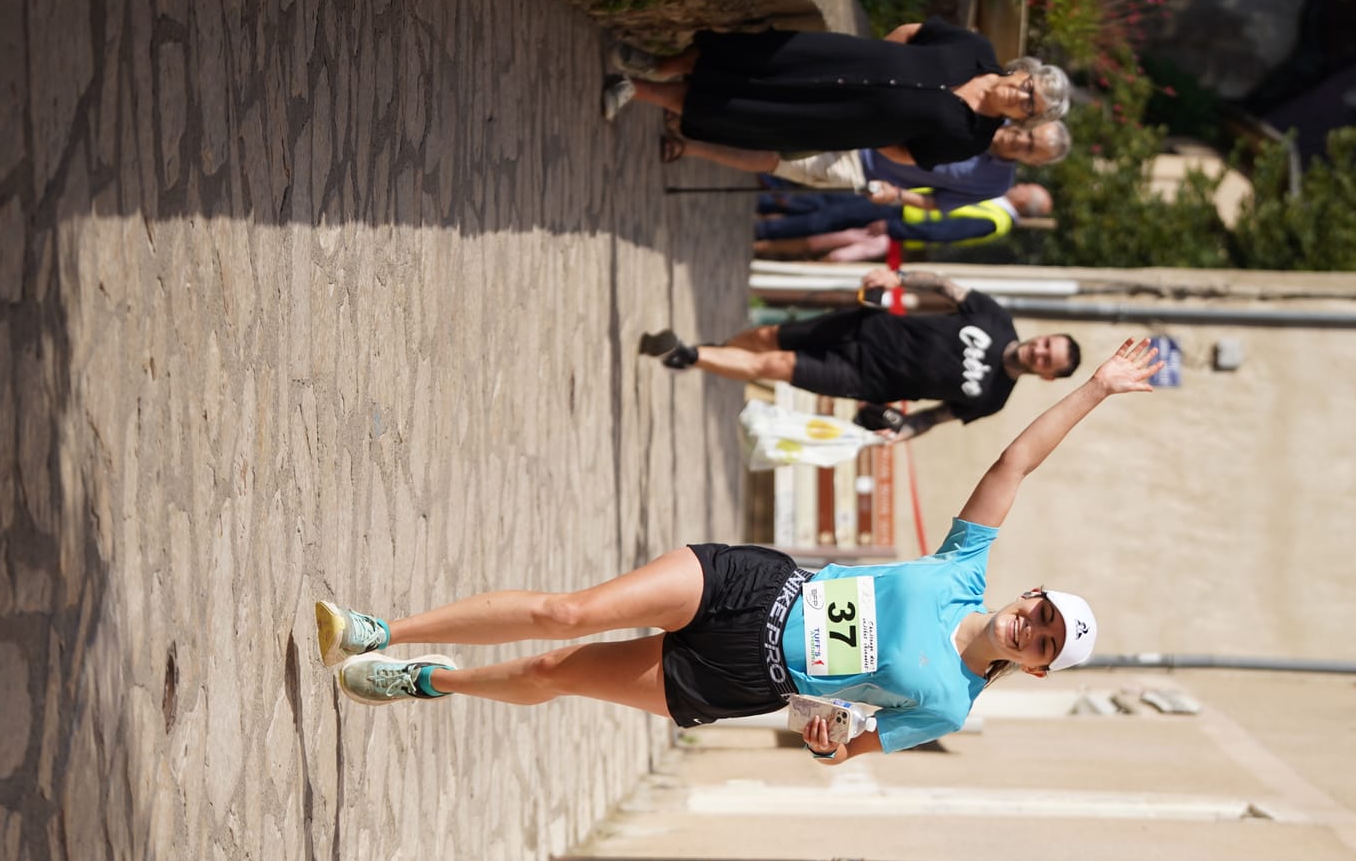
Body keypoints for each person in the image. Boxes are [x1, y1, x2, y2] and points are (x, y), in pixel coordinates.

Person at [313, 340, 1161, 760]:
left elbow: (844, 750)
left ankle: (428, 680)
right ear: (1029, 595)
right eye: (1040, 613)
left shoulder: (948, 705)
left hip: (743, 678)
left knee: (555, 669)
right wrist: (1094, 389)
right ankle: (378, 626)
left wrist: (828, 742)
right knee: (564, 611)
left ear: (1040, 668)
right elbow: (1014, 461)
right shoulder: (961, 571)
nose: (1030, 630)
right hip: (756, 587)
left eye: (1044, 644)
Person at [637, 266, 1082, 442]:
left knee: (774, 366)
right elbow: (946, 286)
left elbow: (931, 418)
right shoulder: (995, 318)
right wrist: (898, 276)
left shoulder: (993, 398)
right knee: (768, 335)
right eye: (1047, 344)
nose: (1039, 352)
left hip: (863, 379)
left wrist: (900, 432)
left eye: (1048, 360)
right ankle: (711, 352)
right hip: (868, 326)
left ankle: (689, 354)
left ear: (1047, 376)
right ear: (1044, 337)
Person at [603, 22, 1070, 168]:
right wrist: (877, 59)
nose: (1022, 96)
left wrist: (868, 126)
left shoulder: (971, 137)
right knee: (751, 57)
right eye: (1029, 86)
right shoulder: (975, 48)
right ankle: (656, 64)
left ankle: (638, 90)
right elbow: (913, 31)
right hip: (838, 59)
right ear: (1023, 72)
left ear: (1025, 118)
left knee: (743, 111)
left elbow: (908, 155)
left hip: (837, 119)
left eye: (1031, 105)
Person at [664, 108, 1073, 211]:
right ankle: (697, 119)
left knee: (774, 161)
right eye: (1028, 133)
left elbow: (936, 203)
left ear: (1032, 163)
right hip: (867, 125)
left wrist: (897, 195)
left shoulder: (995, 184)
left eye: (1028, 148)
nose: (1019, 139)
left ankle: (690, 145)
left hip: (866, 169)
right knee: (782, 122)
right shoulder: (989, 110)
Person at [751, 184, 1052, 259]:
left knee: (830, 219)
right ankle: (766, 203)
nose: (1020, 186)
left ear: (1025, 202)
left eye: (1027, 189)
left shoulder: (995, 221)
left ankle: (765, 230)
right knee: (833, 203)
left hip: (898, 217)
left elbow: (941, 232)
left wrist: (895, 229)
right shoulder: (995, 198)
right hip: (902, 201)